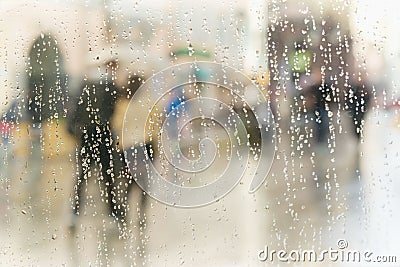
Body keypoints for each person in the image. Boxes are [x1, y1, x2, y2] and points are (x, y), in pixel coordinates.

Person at [68, 60, 122, 229]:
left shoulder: (85, 90)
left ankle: (75, 214)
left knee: (83, 177)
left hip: (87, 138)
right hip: (103, 138)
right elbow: (115, 113)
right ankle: (112, 213)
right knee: (106, 177)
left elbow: (74, 116)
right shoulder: (110, 90)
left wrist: (77, 133)